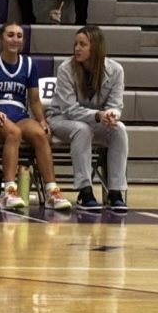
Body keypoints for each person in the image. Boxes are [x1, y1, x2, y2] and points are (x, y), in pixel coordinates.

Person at [0, 24, 71, 212]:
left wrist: (41, 120)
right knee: (13, 133)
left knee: (40, 134)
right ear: (1, 39)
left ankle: (51, 191)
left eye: (19, 36)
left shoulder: (29, 65)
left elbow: (35, 100)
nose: (15, 39)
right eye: (10, 35)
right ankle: (9, 190)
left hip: (20, 115)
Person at [47, 26, 129, 213]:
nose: (77, 48)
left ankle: (115, 192)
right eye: (75, 44)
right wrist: (98, 115)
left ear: (96, 47)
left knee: (119, 129)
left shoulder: (116, 70)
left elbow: (116, 104)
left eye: (83, 44)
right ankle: (85, 192)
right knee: (82, 129)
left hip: (95, 119)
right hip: (61, 119)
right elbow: (69, 110)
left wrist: (112, 115)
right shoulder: (66, 69)